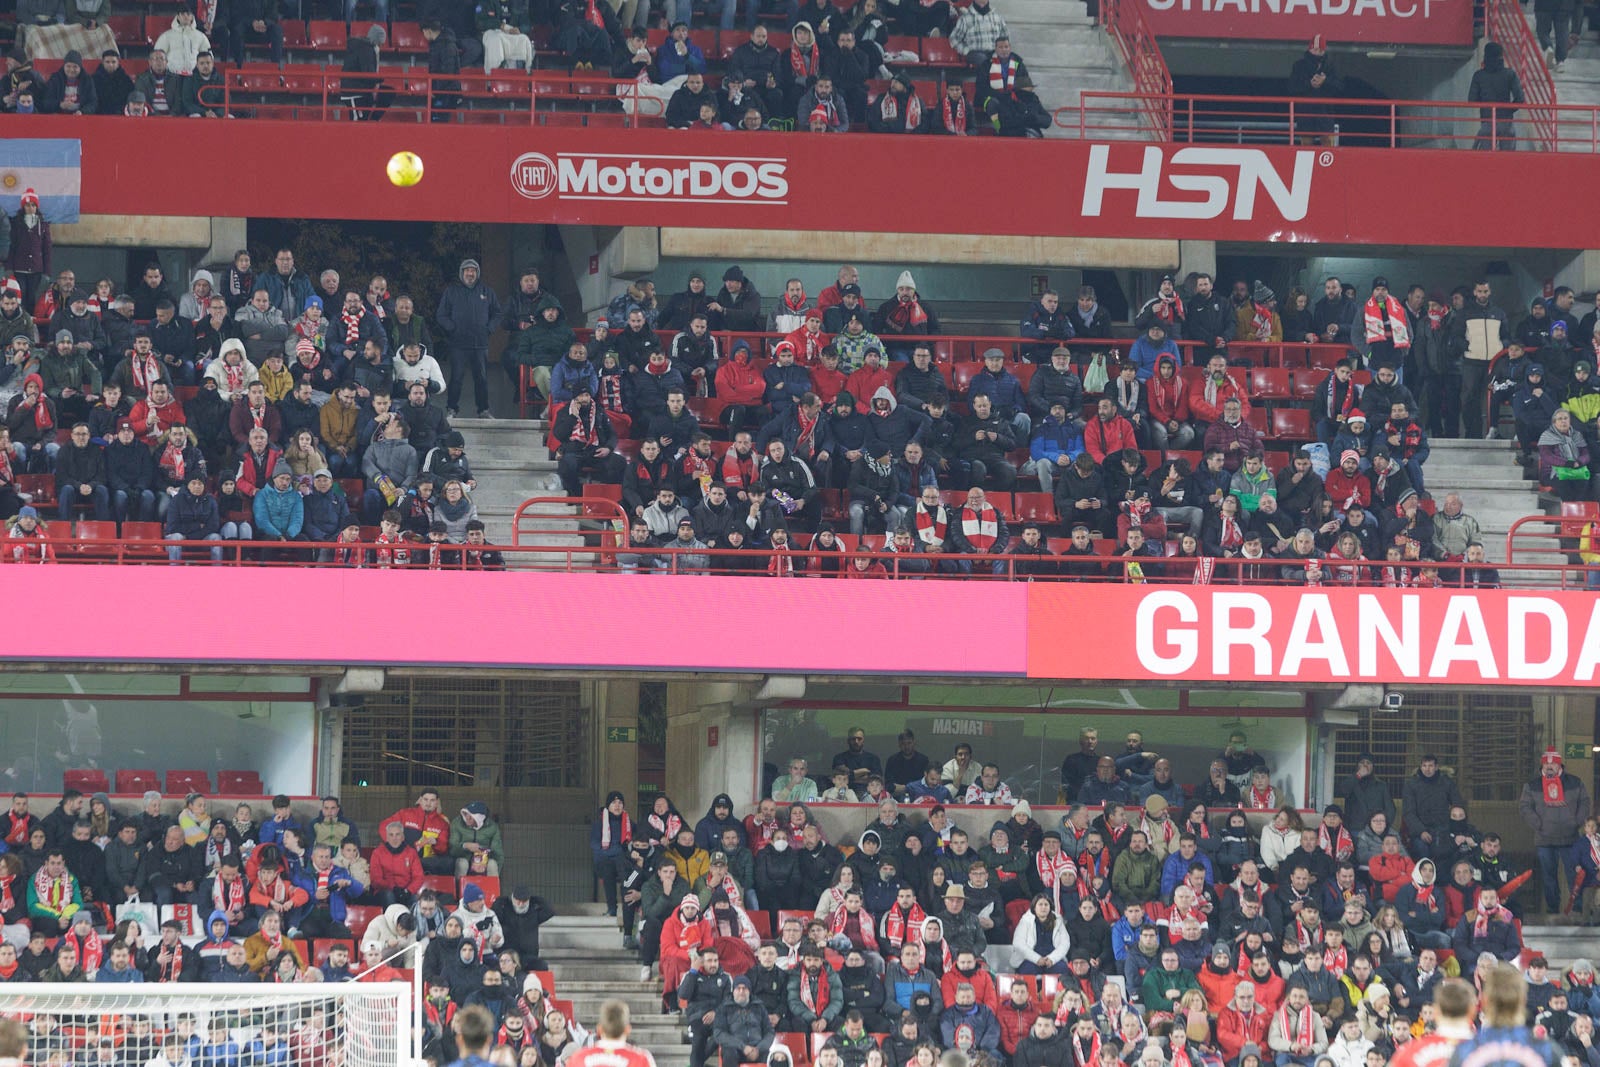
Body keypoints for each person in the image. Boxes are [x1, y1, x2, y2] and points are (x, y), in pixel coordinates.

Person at [1520, 746, 1592, 916]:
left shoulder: (1575, 782)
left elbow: (1585, 801)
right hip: (1544, 839)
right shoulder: (1532, 786)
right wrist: (1539, 825)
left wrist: (1577, 822)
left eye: (1553, 765)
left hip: (1571, 838)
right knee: (1548, 876)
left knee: (1574, 875)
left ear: (1560, 766)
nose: (1549, 767)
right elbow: (1524, 807)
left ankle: (1577, 908)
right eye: (1546, 765)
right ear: (1542, 767)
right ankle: (1553, 908)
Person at [437, 259, 501, 419]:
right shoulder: (452, 291)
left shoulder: (487, 292)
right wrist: (452, 328)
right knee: (456, 378)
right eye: (467, 271)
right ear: (462, 273)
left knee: (481, 378)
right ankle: (452, 409)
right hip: (458, 343)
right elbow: (441, 315)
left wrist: (489, 329)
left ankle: (483, 410)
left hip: (480, 343)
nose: (470, 274)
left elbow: (497, 314)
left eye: (473, 271)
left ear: (477, 273)